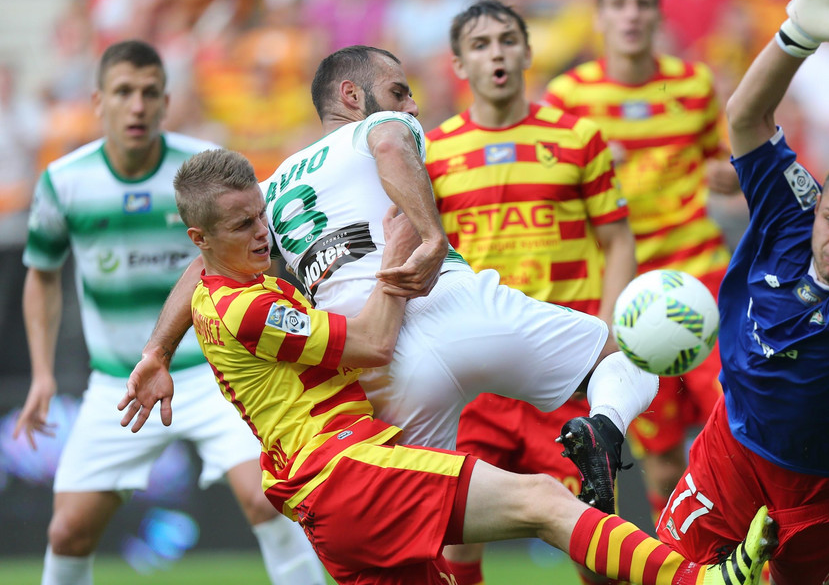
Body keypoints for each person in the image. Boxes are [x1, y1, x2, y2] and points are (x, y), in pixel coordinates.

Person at [133, 146, 777, 584]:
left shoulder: (225, 278)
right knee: (546, 502)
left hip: (330, 499)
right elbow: (372, 343)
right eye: (242, 226)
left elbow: (199, 278)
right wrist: (395, 255)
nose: (261, 236)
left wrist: (157, 351)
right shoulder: (246, 308)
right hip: (346, 473)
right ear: (200, 240)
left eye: (260, 217)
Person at [121, 44, 650, 531]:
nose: (412, 105)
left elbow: (201, 268)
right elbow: (392, 141)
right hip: (447, 301)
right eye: (399, 91)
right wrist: (432, 235)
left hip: (377, 366)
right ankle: (603, 431)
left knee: (436, 520)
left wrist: (157, 350)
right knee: (622, 358)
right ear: (352, 95)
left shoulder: (269, 188)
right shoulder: (375, 126)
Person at [12, 40, 325, 585]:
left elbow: (251, 252)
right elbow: (41, 276)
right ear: (98, 101)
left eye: (149, 93)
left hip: (215, 371)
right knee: (67, 533)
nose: (137, 105)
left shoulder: (200, 171)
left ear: (166, 101)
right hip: (118, 381)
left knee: (269, 499)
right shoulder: (64, 181)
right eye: (124, 92)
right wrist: (42, 374)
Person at [653, 0, 829, 584]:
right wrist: (795, 36)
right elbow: (745, 117)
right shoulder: (789, 215)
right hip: (734, 440)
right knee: (670, 572)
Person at [423, 0, 638, 584]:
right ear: (459, 64)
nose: (496, 52)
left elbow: (617, 239)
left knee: (593, 540)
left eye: (506, 40)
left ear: (526, 51)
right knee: (458, 541)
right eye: (481, 43)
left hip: (562, 371)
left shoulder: (578, 137)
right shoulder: (433, 154)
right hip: (474, 378)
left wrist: (611, 335)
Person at [543, 0, 739, 523]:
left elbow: (718, 164)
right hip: (627, 292)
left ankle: (753, 558)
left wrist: (731, 172)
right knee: (663, 454)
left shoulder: (694, 86)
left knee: (737, 425)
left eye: (641, 3)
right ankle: (681, 561)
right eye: (619, 3)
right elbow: (554, 190)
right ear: (600, 17)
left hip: (699, 277)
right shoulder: (567, 96)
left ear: (656, 13)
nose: (631, 14)